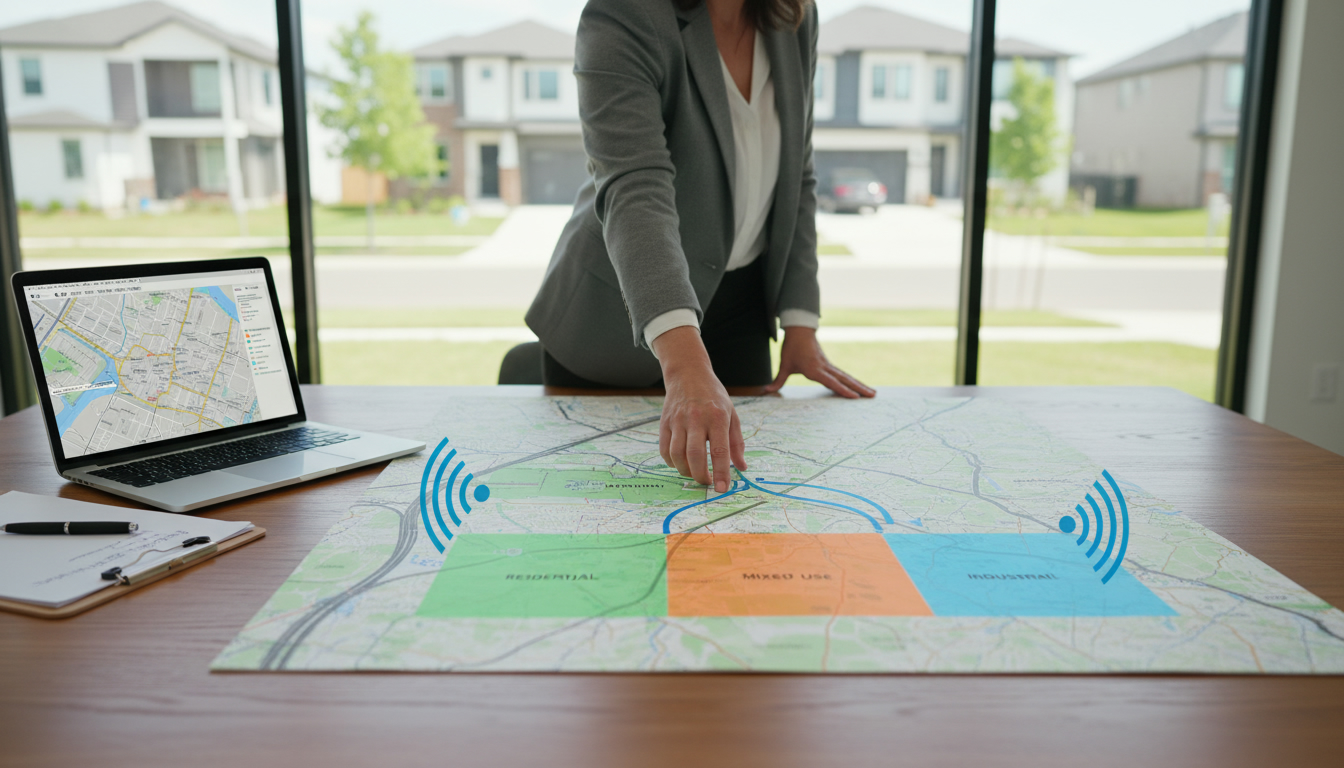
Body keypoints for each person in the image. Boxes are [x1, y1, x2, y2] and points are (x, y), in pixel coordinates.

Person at [525, 0, 874, 495]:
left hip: (740, 310)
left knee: (743, 525)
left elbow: (798, 169)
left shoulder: (796, 14)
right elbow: (634, 185)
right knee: (605, 537)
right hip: (616, 314)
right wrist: (685, 364)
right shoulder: (623, 12)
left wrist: (800, 323)